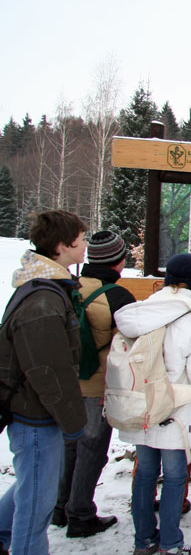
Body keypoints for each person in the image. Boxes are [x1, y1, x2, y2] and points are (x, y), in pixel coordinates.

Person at [115, 253, 191, 555]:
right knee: (176, 475)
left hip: (141, 404)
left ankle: (143, 540)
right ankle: (170, 542)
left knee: (145, 474)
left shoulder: (139, 313)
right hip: (176, 411)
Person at [0, 210, 89, 555]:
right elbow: (49, 370)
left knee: (34, 487)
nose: (85, 248)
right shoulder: (43, 301)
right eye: (81, 241)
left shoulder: (46, 287)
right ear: (64, 246)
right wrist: (73, 421)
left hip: (36, 413)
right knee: (36, 506)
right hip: (35, 417)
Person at [53, 230, 136, 538]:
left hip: (67, 382)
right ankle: (81, 514)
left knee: (69, 444)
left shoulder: (70, 287)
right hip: (97, 386)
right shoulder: (117, 296)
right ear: (119, 261)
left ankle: (60, 507)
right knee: (93, 448)